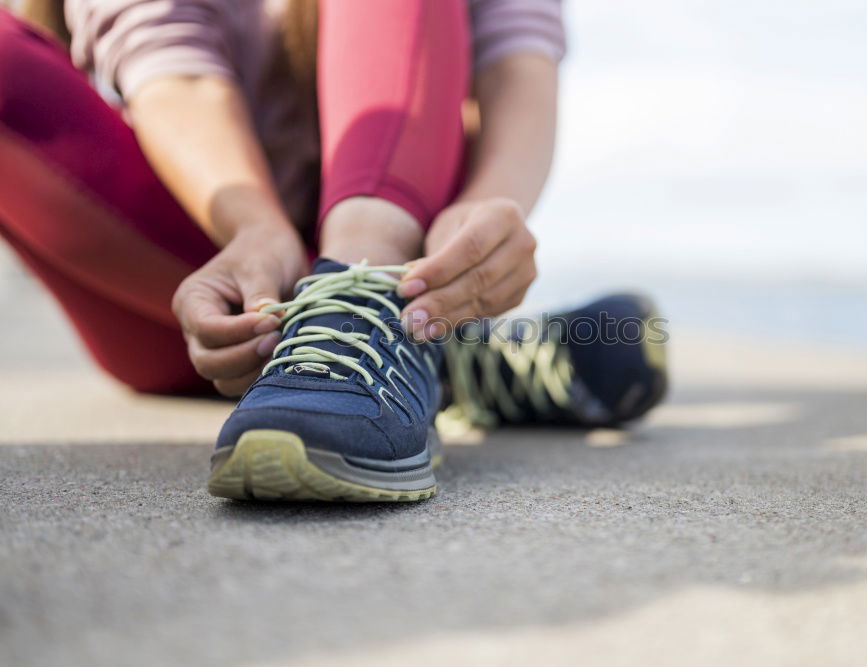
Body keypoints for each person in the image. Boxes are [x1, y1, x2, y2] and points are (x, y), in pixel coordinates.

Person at [0, 0, 666, 502]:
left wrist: (489, 207)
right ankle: (433, 352)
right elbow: (174, 67)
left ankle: (365, 292)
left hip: (403, 244)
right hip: (215, 292)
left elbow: (517, 60)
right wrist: (253, 229)